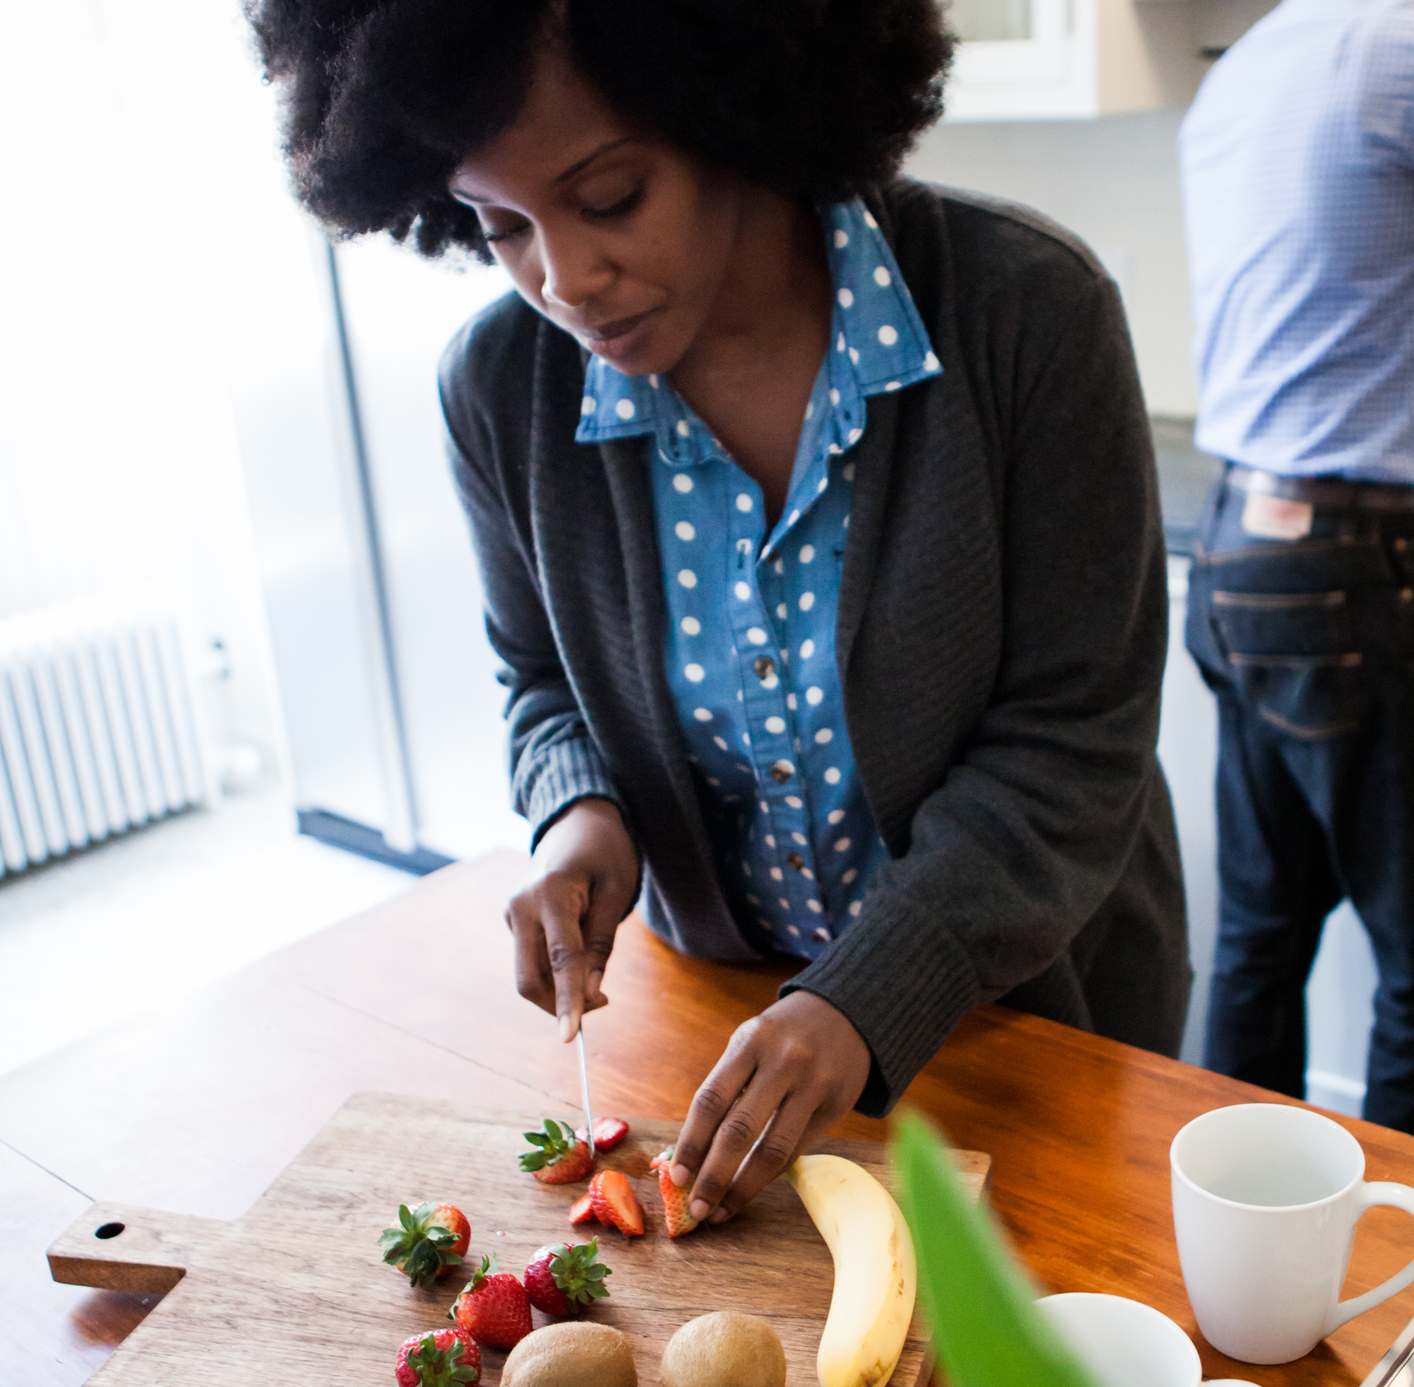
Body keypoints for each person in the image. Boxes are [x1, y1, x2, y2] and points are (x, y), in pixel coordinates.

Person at [249, 0, 1188, 1219]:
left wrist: (864, 995)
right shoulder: (500, 390)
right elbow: (539, 679)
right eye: (500, 227)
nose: (565, 279)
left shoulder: (1026, 313)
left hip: (1028, 1015)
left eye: (611, 197)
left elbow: (1071, 748)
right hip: (721, 1029)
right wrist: (576, 820)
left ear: (738, 115)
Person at [1179, 0, 1414, 1129]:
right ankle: (1397, 1295)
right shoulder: (1397, 47)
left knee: (1258, 944)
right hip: (1356, 561)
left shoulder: (1247, 64)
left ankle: (1240, 1263)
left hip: (1244, 556)